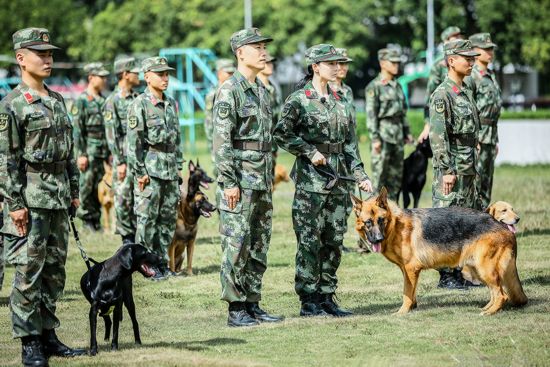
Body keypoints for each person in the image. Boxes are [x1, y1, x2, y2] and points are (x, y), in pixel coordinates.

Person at [0, 27, 85, 366]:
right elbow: (5, 161)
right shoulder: (11, 105)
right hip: (30, 200)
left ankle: (48, 334)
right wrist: (15, 205)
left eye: (50, 53)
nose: (48, 58)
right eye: (41, 54)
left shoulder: (57, 100)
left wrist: (75, 192)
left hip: (58, 197)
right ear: (21, 58)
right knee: (27, 272)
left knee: (54, 271)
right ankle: (29, 341)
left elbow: (69, 152)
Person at [274, 44, 372, 317]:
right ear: (315, 66)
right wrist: (309, 151)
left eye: (339, 63)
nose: (337, 67)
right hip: (311, 182)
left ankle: (327, 297)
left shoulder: (341, 101)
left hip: (339, 181)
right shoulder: (299, 100)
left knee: (334, 239)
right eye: (330, 63)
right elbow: (281, 134)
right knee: (309, 241)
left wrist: (360, 175)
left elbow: (350, 144)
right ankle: (309, 301)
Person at [213, 28, 283, 327]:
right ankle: (235, 307)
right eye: (257, 47)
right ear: (241, 52)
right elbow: (221, 142)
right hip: (239, 181)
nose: (264, 52)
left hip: (261, 179)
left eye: (264, 46)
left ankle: (253, 302)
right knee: (236, 244)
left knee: (258, 243)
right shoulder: (230, 90)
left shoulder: (262, 91)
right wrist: (229, 182)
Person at [429, 39, 482, 289]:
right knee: (447, 220)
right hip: (452, 168)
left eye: (472, 58)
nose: (471, 62)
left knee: (465, 219)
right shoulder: (442, 94)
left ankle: (460, 272)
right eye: (466, 58)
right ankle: (447, 276)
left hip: (468, 166)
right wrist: (447, 171)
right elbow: (438, 137)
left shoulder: (465, 90)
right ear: (451, 61)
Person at [126, 56, 183, 279]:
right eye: (160, 74)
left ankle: (161, 263)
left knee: (167, 221)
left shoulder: (171, 104)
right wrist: (139, 172)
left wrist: (179, 167)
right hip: (150, 171)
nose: (165, 78)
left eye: (167, 74)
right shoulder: (139, 105)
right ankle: (145, 265)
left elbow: (176, 140)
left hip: (169, 170)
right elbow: (133, 144)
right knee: (147, 220)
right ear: (147, 77)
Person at [365, 48, 413, 201]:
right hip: (383, 136)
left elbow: (402, 112)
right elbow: (371, 115)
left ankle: (392, 216)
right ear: (383, 64)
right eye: (393, 62)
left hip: (397, 136)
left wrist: (407, 133)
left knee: (396, 179)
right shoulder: (374, 87)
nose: (396, 65)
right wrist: (375, 139)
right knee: (379, 179)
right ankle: (373, 216)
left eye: (398, 62)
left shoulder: (397, 85)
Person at [103, 57, 141, 245]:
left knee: (138, 200)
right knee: (123, 200)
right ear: (125, 75)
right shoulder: (113, 101)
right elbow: (111, 135)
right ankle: (127, 240)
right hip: (124, 161)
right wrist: (120, 161)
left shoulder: (138, 99)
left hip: (139, 160)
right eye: (135, 72)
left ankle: (139, 239)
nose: (139, 74)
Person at [72, 62, 110, 231]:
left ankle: (97, 219)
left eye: (105, 77)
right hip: (88, 150)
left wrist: (110, 152)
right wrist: (81, 154)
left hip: (102, 151)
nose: (104, 80)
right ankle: (87, 218)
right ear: (91, 78)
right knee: (86, 186)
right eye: (101, 77)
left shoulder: (103, 100)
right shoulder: (81, 101)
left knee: (98, 187)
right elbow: (78, 130)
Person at [465, 33, 502, 209]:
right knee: (476, 184)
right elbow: (468, 110)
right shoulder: (471, 76)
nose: (490, 52)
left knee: (487, 181)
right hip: (479, 136)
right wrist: (474, 138)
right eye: (486, 49)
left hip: (491, 135)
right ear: (475, 50)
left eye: (491, 49)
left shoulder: (491, 75)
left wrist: (496, 140)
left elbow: (494, 111)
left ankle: (486, 223)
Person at [418, 26, 464, 143]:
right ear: (446, 41)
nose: (459, 39)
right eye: (455, 37)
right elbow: (430, 96)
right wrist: (428, 124)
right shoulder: (439, 66)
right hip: (446, 119)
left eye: (460, 36)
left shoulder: (466, 63)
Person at [204, 58, 235, 168]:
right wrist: (214, 149)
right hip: (220, 144)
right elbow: (209, 124)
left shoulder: (236, 91)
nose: (231, 75)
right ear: (219, 73)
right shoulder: (213, 95)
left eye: (233, 72)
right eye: (228, 73)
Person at [257, 52, 283, 183]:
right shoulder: (255, 88)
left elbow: (277, 120)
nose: (270, 65)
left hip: (271, 145)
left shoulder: (273, 89)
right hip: (257, 147)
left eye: (271, 62)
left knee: (270, 182)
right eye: (267, 62)